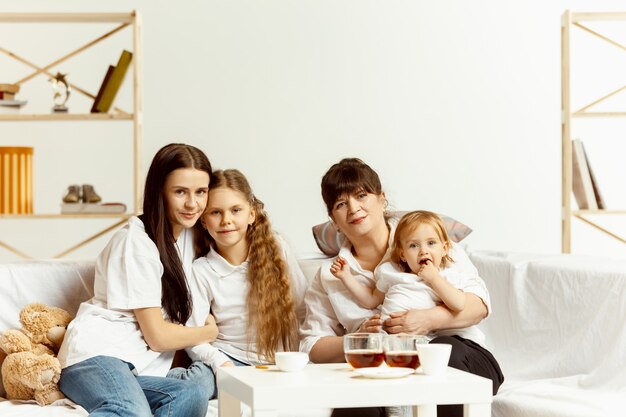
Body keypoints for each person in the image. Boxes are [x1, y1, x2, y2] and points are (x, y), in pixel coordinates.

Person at [300, 158, 504, 417]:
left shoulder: (426, 241)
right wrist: (359, 341)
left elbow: (479, 306)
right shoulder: (330, 275)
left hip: (459, 354)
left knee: (440, 354)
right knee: (354, 407)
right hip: (383, 368)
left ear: (382, 200)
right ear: (334, 219)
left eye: (362, 196)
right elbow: (312, 345)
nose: (353, 208)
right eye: (341, 204)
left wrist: (427, 320)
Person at [58, 143, 222, 417]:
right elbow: (157, 336)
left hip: (134, 367)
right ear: (160, 191)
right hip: (96, 356)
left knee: (191, 395)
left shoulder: (187, 239)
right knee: (129, 411)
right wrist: (208, 333)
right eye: (180, 192)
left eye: (201, 192)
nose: (193, 203)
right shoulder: (135, 241)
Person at [178, 169, 307, 388]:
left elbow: (303, 309)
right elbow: (195, 338)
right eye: (216, 212)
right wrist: (222, 364)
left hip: (277, 361)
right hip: (228, 358)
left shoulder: (276, 248)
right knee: (197, 383)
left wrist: (298, 358)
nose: (226, 220)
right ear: (203, 221)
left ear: (252, 214)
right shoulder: (201, 270)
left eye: (235, 210)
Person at [332, 210, 467, 319]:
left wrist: (434, 279)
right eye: (413, 245)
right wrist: (346, 277)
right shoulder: (390, 271)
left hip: (423, 337)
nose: (423, 251)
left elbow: (459, 304)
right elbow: (370, 300)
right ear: (403, 254)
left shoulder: (446, 274)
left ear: (444, 249)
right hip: (388, 337)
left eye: (431, 243)